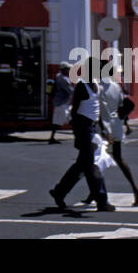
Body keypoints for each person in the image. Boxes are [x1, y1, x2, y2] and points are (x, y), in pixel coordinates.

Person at [49, 57, 115, 212]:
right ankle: (101, 200)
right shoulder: (81, 86)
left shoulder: (96, 85)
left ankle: (59, 191)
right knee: (92, 166)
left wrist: (102, 130)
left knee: (82, 165)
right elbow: (76, 111)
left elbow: (96, 110)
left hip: (92, 129)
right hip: (83, 129)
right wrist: (78, 134)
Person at [94, 73, 138, 205]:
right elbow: (122, 106)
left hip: (105, 127)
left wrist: (105, 131)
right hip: (117, 125)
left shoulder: (99, 87)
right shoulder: (116, 87)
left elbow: (102, 111)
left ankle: (96, 192)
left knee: (95, 160)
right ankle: (135, 190)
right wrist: (125, 125)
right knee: (118, 158)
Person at [47, 66, 72, 144]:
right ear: (64, 70)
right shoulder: (62, 79)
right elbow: (69, 90)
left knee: (57, 121)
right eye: (68, 69)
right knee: (70, 119)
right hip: (62, 103)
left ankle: (52, 137)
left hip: (59, 102)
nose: (69, 71)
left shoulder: (58, 77)